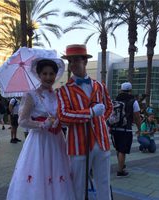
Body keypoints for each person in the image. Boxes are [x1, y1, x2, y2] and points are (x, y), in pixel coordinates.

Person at [7, 54, 75, 200]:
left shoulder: (58, 95)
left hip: (57, 140)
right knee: (39, 172)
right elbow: (22, 121)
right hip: (39, 141)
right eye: (44, 73)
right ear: (38, 74)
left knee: (57, 172)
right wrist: (43, 124)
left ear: (56, 75)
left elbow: (62, 115)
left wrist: (59, 121)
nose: (48, 77)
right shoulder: (31, 95)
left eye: (51, 73)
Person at [57, 44, 113, 200]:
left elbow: (109, 108)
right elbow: (63, 115)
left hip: (102, 142)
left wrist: (100, 122)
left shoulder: (100, 86)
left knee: (104, 182)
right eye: (70, 61)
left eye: (76, 60)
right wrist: (90, 113)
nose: (73, 64)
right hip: (78, 144)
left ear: (85, 62)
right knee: (78, 185)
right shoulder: (64, 90)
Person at [110, 82, 141, 177]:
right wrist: (139, 128)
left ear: (121, 90)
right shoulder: (133, 101)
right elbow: (137, 116)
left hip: (115, 128)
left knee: (118, 148)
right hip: (126, 129)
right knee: (122, 150)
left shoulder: (115, 100)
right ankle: (120, 171)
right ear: (130, 91)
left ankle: (121, 165)